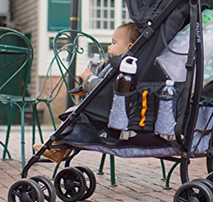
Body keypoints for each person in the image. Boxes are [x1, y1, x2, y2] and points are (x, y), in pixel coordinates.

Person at [33, 22, 140, 163]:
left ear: (129, 48)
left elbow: (102, 89)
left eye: (114, 43)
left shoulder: (123, 68)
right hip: (105, 111)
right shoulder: (117, 65)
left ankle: (58, 147)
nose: (109, 46)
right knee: (75, 115)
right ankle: (59, 150)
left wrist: (89, 78)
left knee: (76, 115)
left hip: (105, 112)